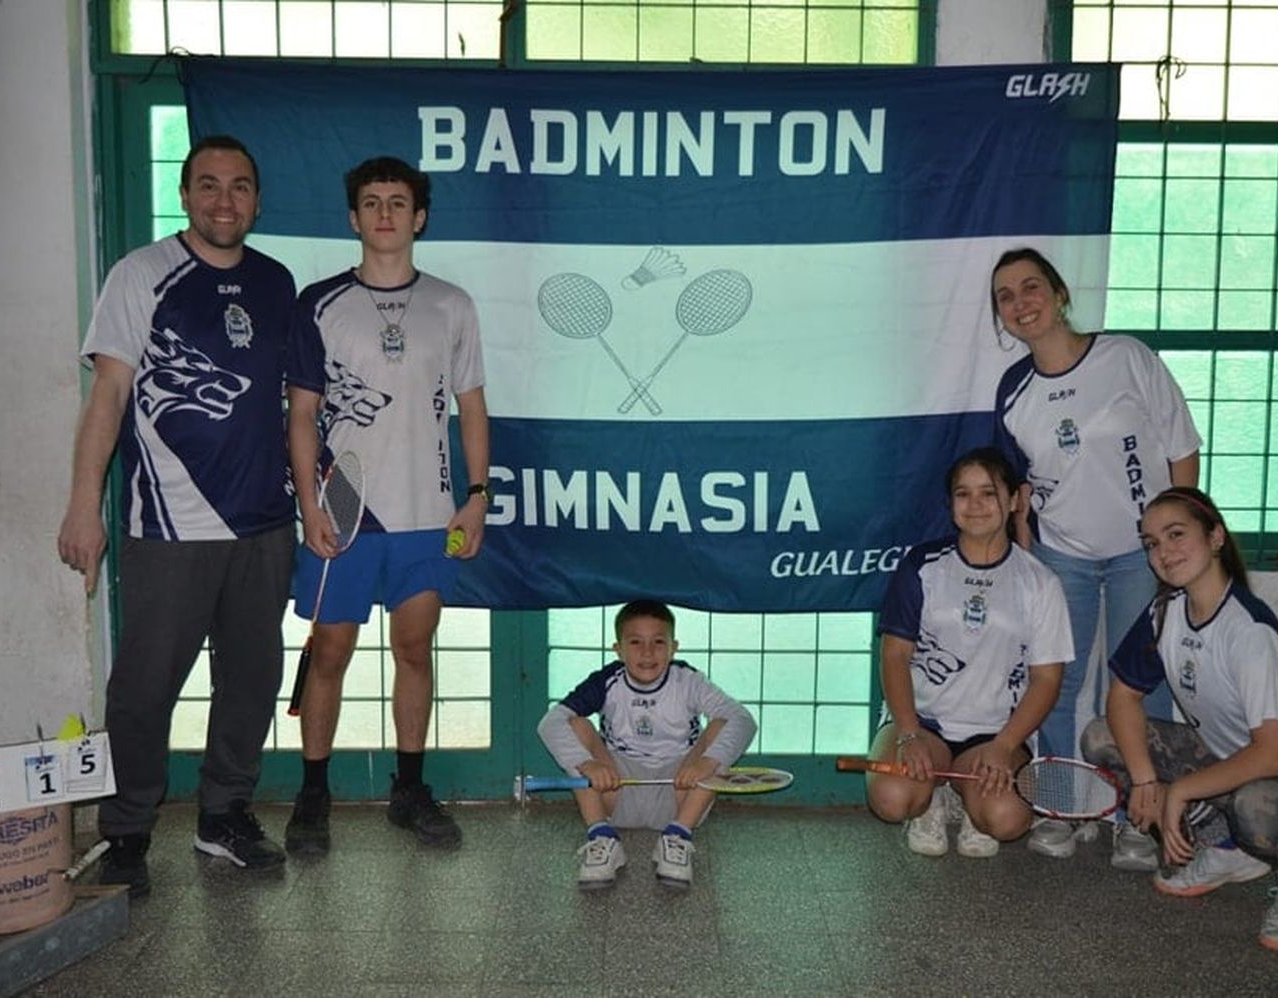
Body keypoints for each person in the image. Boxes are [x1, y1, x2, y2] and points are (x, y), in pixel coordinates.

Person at [57, 135, 298, 896]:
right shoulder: (141, 275)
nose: (223, 200)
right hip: (168, 526)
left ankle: (223, 816)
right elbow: (108, 397)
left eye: (238, 187)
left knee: (253, 680)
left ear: (257, 200)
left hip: (263, 524)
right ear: (186, 195)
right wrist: (83, 507)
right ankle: (127, 829)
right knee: (145, 687)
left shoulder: (274, 280)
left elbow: (295, 404)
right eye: (208, 185)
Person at [282, 156, 489, 854]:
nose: (385, 214)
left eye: (399, 202)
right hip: (346, 505)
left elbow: (471, 406)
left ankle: (409, 789)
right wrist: (311, 503)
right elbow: (301, 415)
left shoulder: (452, 304)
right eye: (371, 201)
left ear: (420, 216)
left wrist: (478, 496)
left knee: (413, 649)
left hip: (428, 510)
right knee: (331, 649)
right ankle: (313, 794)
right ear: (353, 216)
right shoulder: (318, 302)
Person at [1081, 487, 1278, 952]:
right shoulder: (1164, 612)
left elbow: (1276, 755)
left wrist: (1180, 790)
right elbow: (1122, 699)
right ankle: (1228, 848)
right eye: (1151, 543)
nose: (1163, 552)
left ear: (1215, 536)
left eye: (1176, 534)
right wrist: (1147, 780)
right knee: (1101, 737)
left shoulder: (1248, 630)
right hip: (1237, 763)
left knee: (1259, 807)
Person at [990, 246, 1202, 866]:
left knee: (1139, 685)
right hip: (1065, 555)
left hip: (1143, 554)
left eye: (1031, 288)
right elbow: (1022, 482)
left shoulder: (1125, 357)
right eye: (1005, 297)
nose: (1020, 303)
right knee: (1056, 682)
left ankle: (1142, 818)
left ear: (1059, 295)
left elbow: (1180, 444)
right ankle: (1065, 806)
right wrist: (1027, 539)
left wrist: (1176, 537)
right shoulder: (1014, 391)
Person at [866, 448, 1072, 859]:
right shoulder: (922, 565)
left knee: (1006, 820)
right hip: (923, 722)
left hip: (994, 733)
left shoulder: (1039, 582)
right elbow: (894, 656)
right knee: (892, 799)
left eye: (988, 493)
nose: (974, 505)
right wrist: (908, 734)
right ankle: (930, 797)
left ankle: (963, 795)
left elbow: (1047, 680)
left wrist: (1004, 745)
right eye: (963, 494)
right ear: (951, 504)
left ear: (1014, 500)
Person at [537, 600, 756, 889]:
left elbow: (743, 720)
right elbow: (550, 723)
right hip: (616, 789)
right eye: (636, 642)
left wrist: (708, 762)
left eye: (658, 642)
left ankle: (678, 836)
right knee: (575, 724)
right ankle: (601, 836)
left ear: (674, 647)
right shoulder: (606, 681)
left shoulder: (688, 680)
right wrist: (588, 764)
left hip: (681, 789)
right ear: (619, 649)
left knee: (722, 724)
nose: (648, 652)